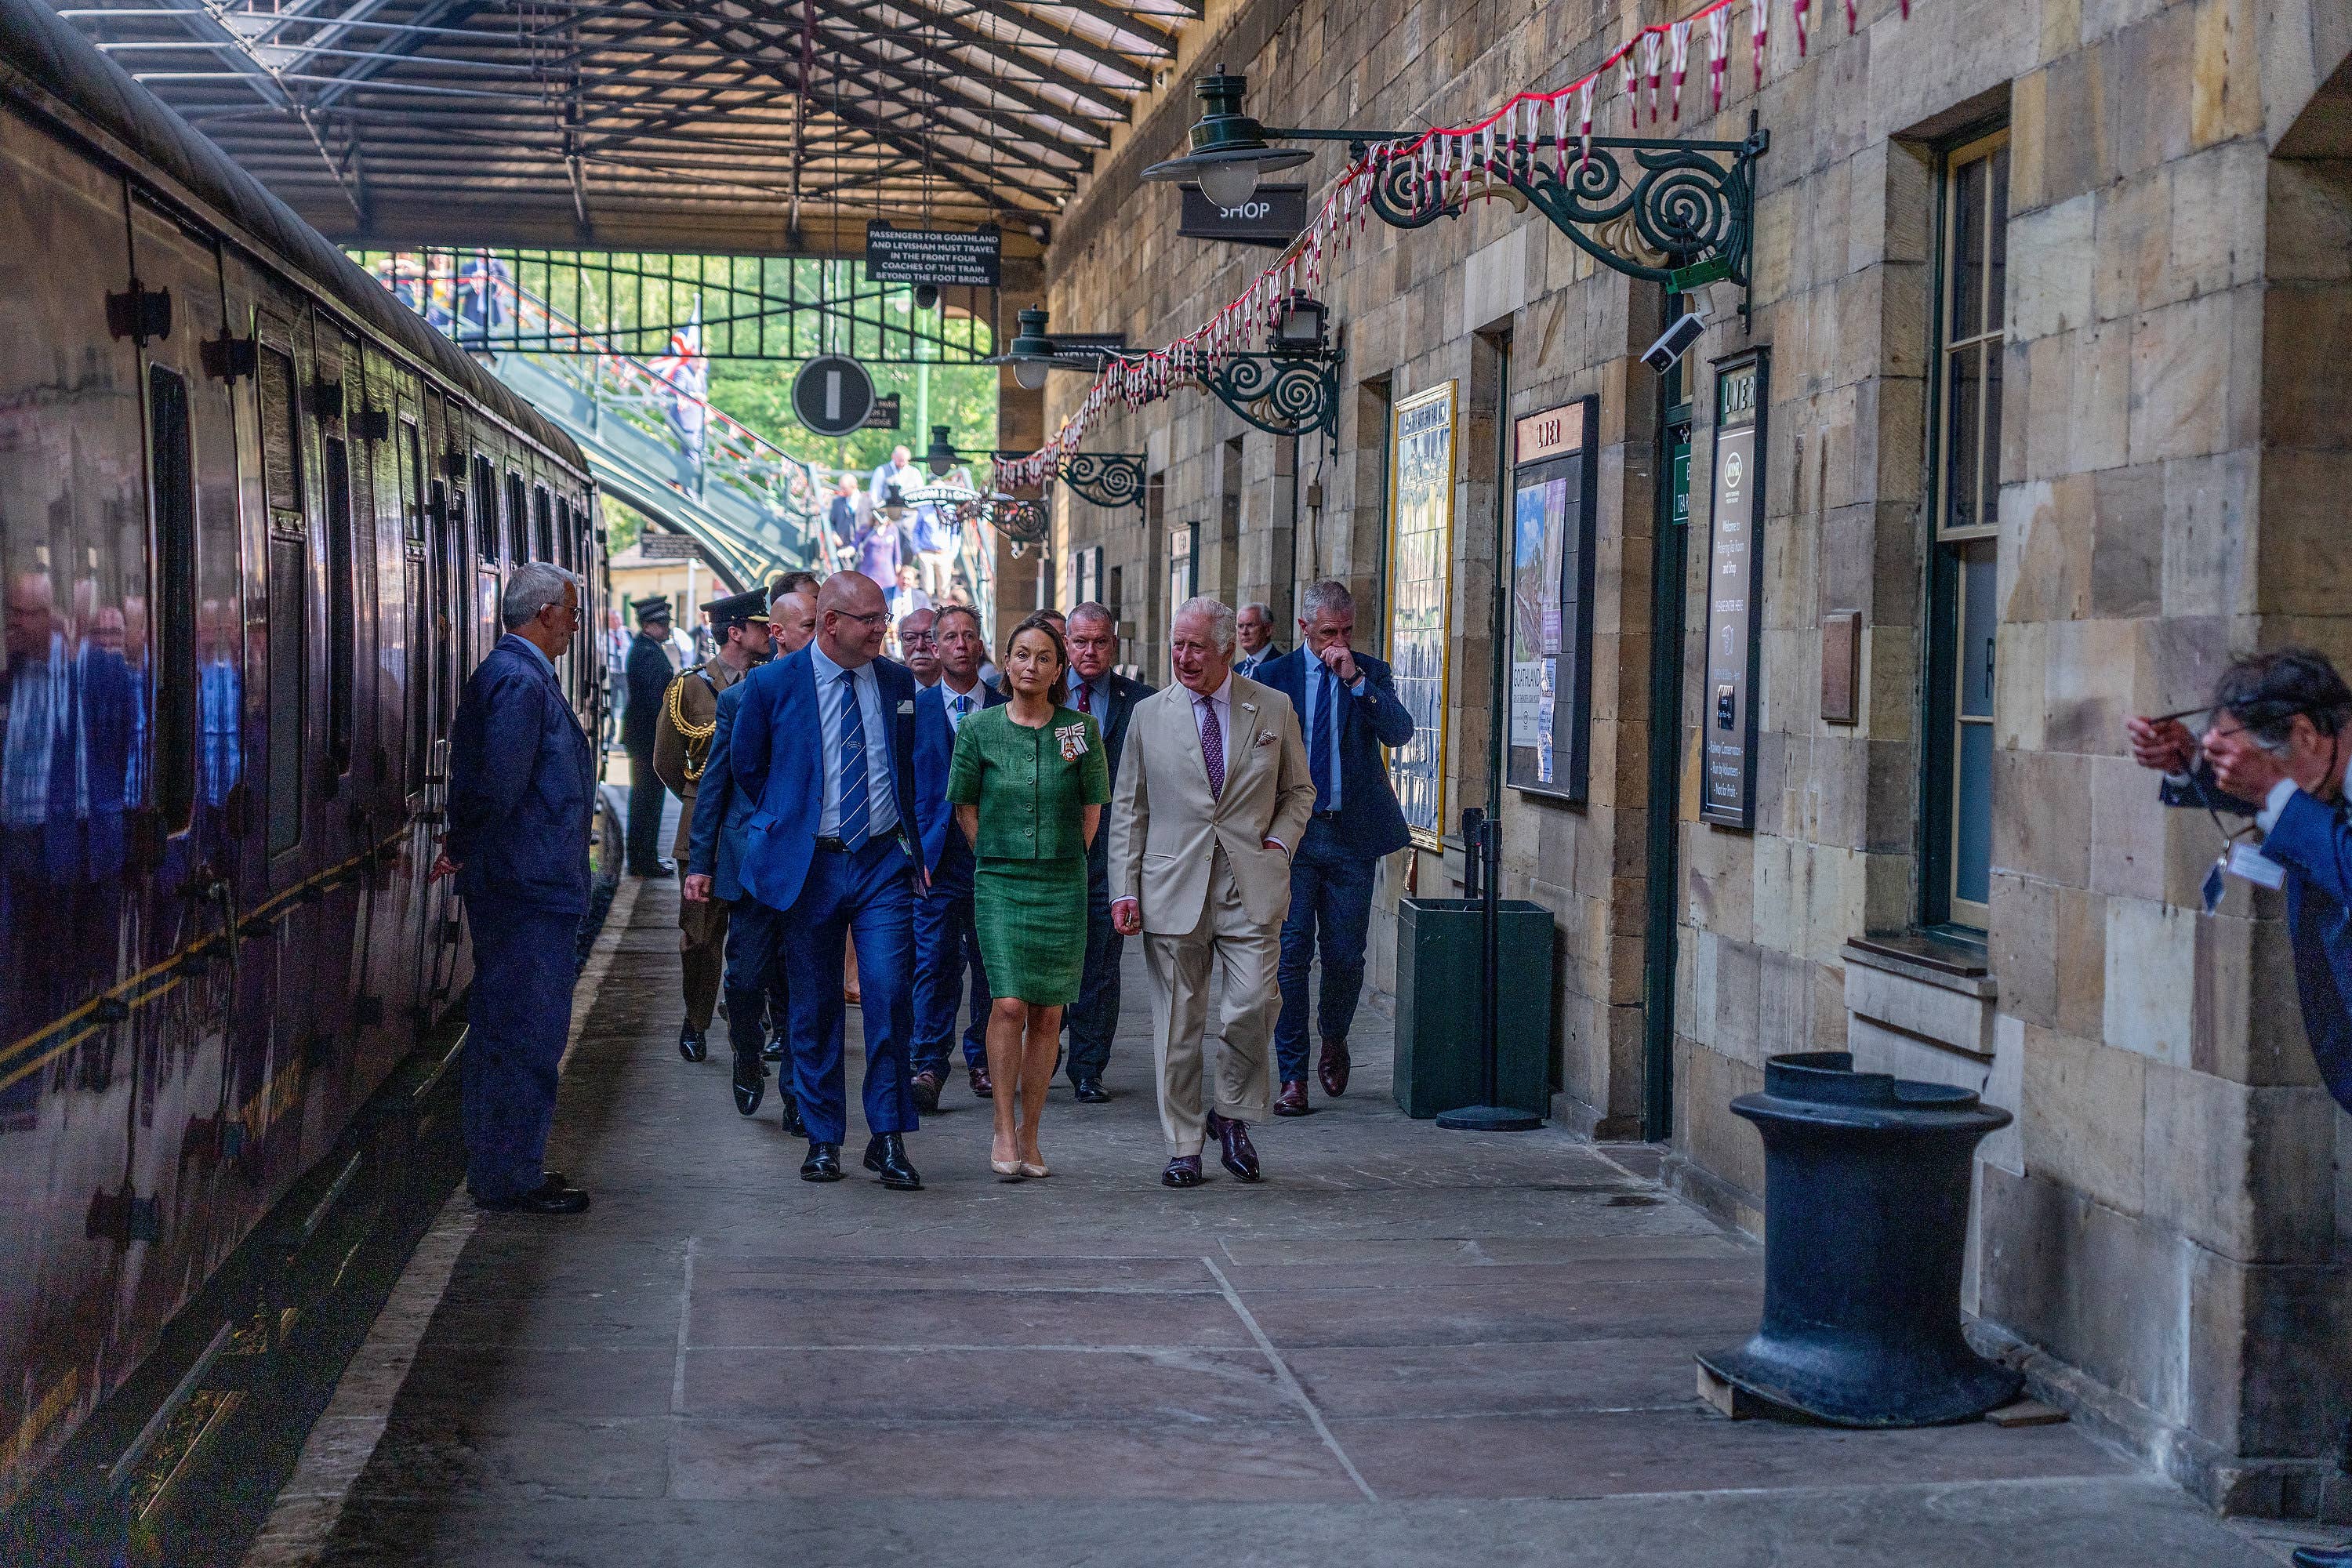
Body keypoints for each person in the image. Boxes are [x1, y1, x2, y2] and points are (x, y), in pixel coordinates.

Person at [728, 572, 927, 1190]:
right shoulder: (770, 685)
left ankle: (888, 1138)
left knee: (891, 992)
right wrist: (788, 825)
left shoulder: (895, 681)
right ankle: (822, 1138)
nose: (881, 630)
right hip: (808, 865)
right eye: (869, 619)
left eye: (884, 617)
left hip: (880, 863)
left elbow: (907, 764)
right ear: (832, 622)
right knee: (812, 1006)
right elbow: (749, 767)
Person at [1109, 597, 1314, 1188]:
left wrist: (1279, 844)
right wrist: (1123, 889)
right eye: (1177, 644)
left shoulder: (1272, 708)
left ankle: (1230, 1113)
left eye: (1197, 646)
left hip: (1251, 883)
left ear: (1229, 650)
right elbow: (1130, 808)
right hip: (1172, 887)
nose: (1184, 656)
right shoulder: (1151, 715)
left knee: (1252, 1006)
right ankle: (1182, 1144)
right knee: (1178, 1024)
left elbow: (1299, 791)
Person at [431, 564, 595, 1214]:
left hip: (527, 882)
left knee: (517, 1029)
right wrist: (462, 846)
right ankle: (509, 1176)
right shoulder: (521, 683)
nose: (577, 623)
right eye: (573, 611)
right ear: (547, 612)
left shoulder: (513, 675)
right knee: (524, 1033)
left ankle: (510, 1166)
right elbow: (498, 784)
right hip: (527, 888)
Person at [947, 614, 1109, 1178]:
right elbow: (965, 806)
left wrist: (1065, 858)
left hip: (1062, 883)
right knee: (1009, 1003)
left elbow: (1092, 810)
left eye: (1044, 657)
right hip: (1000, 882)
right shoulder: (979, 729)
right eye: (1021, 654)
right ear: (1006, 662)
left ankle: (1032, 1133)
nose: (1031, 666)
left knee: (1048, 1012)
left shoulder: (1079, 731)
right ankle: (1000, 1125)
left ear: (1058, 668)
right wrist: (997, 853)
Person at [1254, 581, 1417, 1116]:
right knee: (1292, 953)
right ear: (1305, 630)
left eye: (1346, 631)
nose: (1338, 643)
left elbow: (1399, 732)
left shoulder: (1370, 671)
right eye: (1328, 633)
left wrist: (1355, 682)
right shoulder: (1273, 678)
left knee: (1346, 955)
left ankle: (1334, 1036)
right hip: (1295, 839)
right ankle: (1294, 1075)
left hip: (1352, 837)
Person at [685, 576, 818, 1129]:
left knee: (800, 984)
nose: (822, 634)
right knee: (746, 980)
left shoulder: (834, 695)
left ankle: (795, 1094)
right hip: (753, 863)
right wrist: (700, 864)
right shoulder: (739, 699)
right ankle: (745, 1050)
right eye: (812, 625)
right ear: (782, 634)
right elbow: (715, 784)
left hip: (811, 864)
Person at [652, 589, 772, 1064]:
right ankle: (696, 1018)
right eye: (760, 626)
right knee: (700, 936)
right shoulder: (690, 687)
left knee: (757, 937)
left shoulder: (772, 682)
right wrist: (697, 798)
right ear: (736, 632)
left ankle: (745, 1016)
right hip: (702, 830)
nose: (770, 633)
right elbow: (665, 759)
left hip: (754, 831)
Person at [909, 604, 1005, 1110]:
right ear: (935, 647)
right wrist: (911, 853)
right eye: (950, 637)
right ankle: (928, 1063)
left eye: (970, 635)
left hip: (993, 859)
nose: (961, 645)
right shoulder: (914, 711)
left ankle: (985, 1061)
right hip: (936, 861)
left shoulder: (1007, 708)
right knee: (935, 963)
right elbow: (901, 789)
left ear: (981, 644)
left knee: (991, 965)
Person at [1061, 602, 1154, 1102]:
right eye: (1081, 642)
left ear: (1113, 645)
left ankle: (1089, 1065)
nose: (1090, 651)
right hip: (1053, 850)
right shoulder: (1042, 695)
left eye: (1100, 642)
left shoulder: (1140, 701)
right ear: (1067, 644)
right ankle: (1043, 1046)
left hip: (1114, 851)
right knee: (1054, 956)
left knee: (1101, 960)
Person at [622, 596, 678, 877]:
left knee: (646, 798)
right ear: (648, 625)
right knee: (648, 800)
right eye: (663, 623)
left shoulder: (646, 648)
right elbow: (657, 700)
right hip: (648, 739)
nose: (668, 628)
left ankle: (644, 857)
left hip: (643, 738)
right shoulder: (647, 653)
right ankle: (644, 860)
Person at [1234, 601, 1283, 678]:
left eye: (1250, 625)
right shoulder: (1237, 669)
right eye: (1240, 626)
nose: (1244, 632)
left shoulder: (1282, 666)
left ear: (1268, 629)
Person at [897, 606, 940, 684]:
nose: (920, 646)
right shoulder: (889, 688)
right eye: (910, 638)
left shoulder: (963, 685)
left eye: (930, 637)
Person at [887, 564, 932, 630]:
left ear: (913, 581)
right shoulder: (886, 593)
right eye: (903, 578)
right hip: (891, 632)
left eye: (908, 579)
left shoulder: (921, 596)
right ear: (898, 577)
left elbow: (929, 615)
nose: (905, 582)